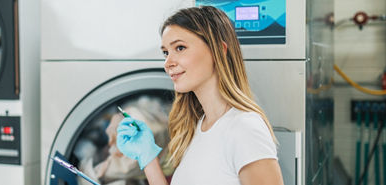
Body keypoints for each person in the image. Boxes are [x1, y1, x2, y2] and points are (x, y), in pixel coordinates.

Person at [116, 6, 284, 185]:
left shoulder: (244, 128)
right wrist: (148, 157)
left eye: (180, 48)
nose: (168, 63)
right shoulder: (198, 127)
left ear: (218, 50)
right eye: (166, 52)